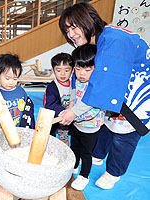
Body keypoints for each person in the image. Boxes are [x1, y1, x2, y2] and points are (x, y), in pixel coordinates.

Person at [59, 2, 149, 189]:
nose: (71, 35)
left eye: (74, 27)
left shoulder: (114, 39)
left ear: (89, 19)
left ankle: (114, 172)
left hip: (138, 92)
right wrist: (72, 105)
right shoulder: (93, 43)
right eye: (67, 31)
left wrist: (74, 112)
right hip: (117, 92)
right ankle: (98, 155)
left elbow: (104, 83)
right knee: (107, 124)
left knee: (123, 133)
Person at [69, 44, 105, 190]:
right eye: (78, 69)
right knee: (74, 147)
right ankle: (74, 165)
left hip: (91, 127)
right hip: (77, 124)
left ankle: (84, 176)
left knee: (86, 153)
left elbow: (94, 110)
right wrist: (70, 107)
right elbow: (73, 92)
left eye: (87, 69)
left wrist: (75, 117)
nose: (81, 73)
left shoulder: (97, 85)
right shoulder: (78, 80)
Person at [43, 53, 74, 146]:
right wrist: (64, 112)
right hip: (59, 119)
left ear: (72, 70)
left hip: (73, 117)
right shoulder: (52, 87)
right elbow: (50, 105)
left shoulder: (75, 84)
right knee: (62, 141)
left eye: (67, 70)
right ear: (53, 70)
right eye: (58, 70)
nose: (63, 74)